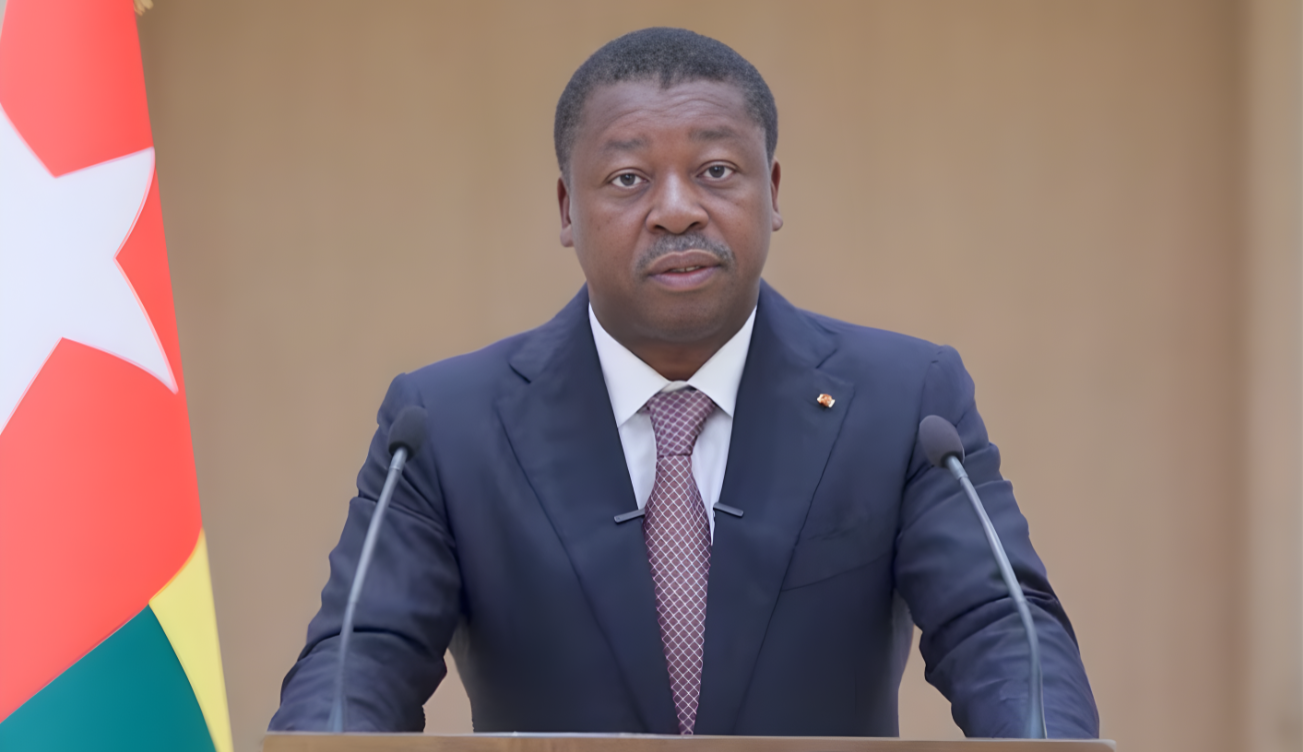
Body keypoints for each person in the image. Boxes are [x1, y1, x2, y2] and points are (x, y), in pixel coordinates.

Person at [270, 27, 1098, 738]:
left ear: (772, 192)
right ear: (567, 210)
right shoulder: (444, 427)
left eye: (716, 170)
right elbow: (360, 658)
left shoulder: (905, 403)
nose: (676, 210)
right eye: (628, 179)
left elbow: (999, 630)